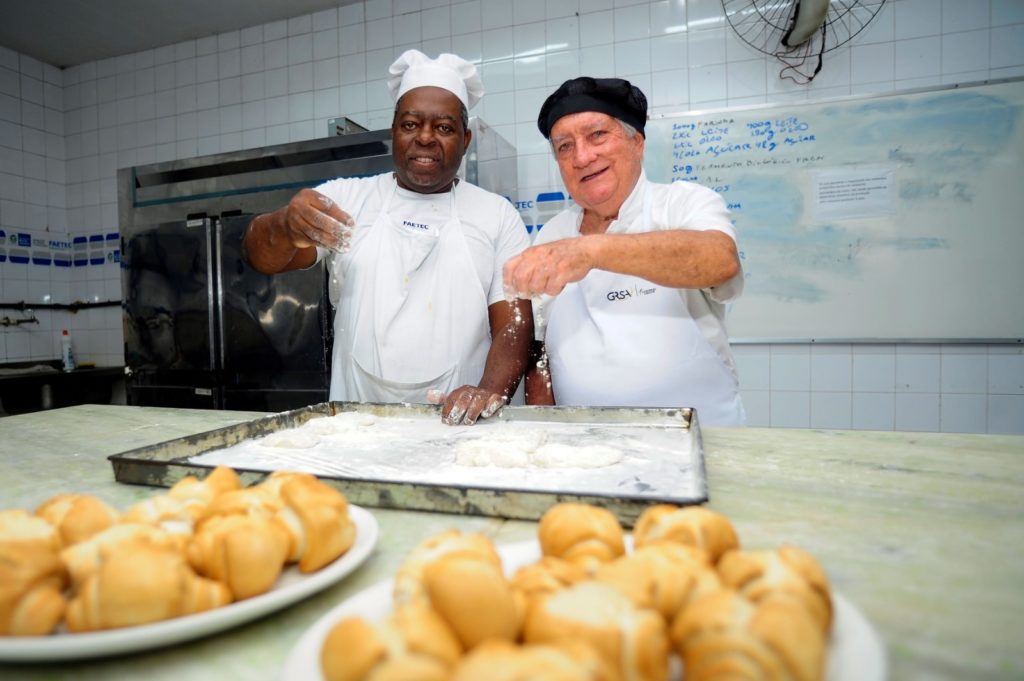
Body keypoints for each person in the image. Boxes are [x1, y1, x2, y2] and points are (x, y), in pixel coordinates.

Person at [243, 50, 533, 425]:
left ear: (465, 139)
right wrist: (283, 224)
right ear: (393, 131)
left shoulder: (496, 215)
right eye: (410, 124)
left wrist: (488, 389)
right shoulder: (347, 200)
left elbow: (513, 323)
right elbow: (259, 257)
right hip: (357, 425)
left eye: (443, 128)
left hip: (461, 431)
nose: (425, 138)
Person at [502, 77, 746, 426]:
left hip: (701, 438)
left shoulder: (682, 203)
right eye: (565, 147)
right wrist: (547, 428)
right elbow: (540, 352)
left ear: (638, 143)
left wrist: (591, 251)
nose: (583, 157)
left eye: (597, 135)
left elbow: (720, 260)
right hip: (588, 447)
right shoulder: (553, 232)